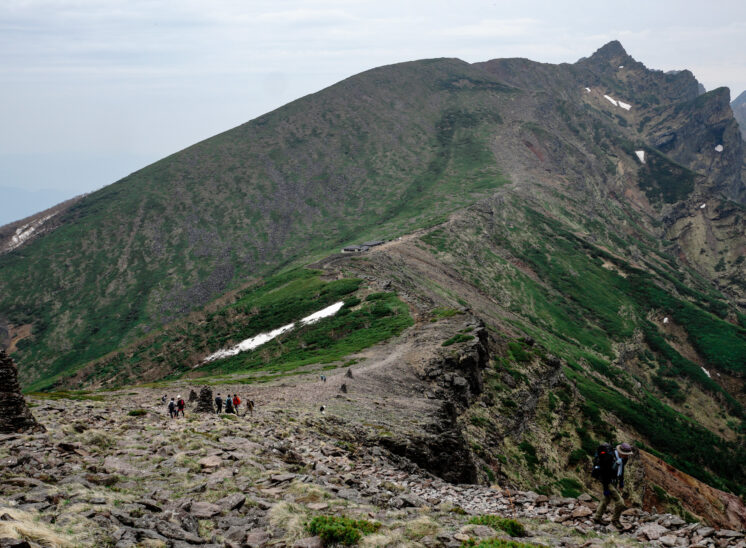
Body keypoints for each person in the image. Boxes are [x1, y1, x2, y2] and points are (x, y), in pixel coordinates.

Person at [594, 442, 633, 528]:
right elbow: (604, 474)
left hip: (613, 479)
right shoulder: (608, 458)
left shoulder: (623, 458)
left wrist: (621, 482)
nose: (627, 456)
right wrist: (605, 489)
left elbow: (621, 469)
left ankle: (597, 517)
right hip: (606, 480)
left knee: (606, 499)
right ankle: (615, 520)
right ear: (620, 452)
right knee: (620, 502)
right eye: (626, 454)